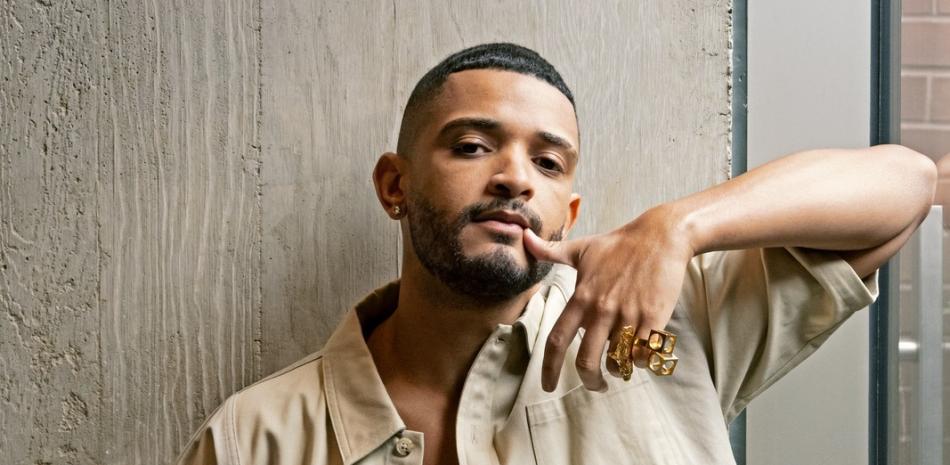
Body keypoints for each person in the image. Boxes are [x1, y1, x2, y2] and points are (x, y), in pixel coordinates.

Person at [175, 43, 936, 465]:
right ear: (394, 185)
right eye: (472, 146)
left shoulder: (663, 333)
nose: (514, 178)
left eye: (547, 162)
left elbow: (905, 183)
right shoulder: (252, 439)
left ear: (569, 212)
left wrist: (678, 226)